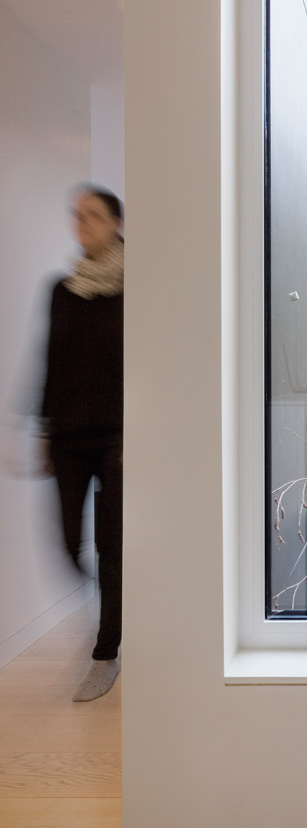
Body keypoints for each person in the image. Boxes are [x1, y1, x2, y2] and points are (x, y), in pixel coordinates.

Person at [41, 186, 124, 702]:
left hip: (118, 435)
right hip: (68, 436)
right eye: (76, 215)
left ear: (116, 223)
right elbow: (50, 359)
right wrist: (43, 429)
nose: (82, 224)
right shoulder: (61, 289)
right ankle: (119, 601)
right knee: (68, 544)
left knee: (110, 547)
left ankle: (106, 652)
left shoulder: (135, 287)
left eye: (92, 215)